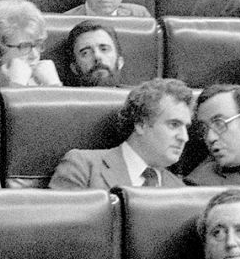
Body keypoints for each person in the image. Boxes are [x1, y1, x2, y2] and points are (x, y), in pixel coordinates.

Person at [51, 78, 194, 188]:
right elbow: (62, 226)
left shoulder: (180, 190)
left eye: (185, 128)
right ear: (140, 124)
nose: (184, 137)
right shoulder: (83, 166)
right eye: (174, 125)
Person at [58, 21, 126, 88]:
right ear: (74, 68)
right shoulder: (64, 98)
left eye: (104, 49)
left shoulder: (134, 97)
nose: (97, 56)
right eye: (86, 53)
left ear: (120, 62)